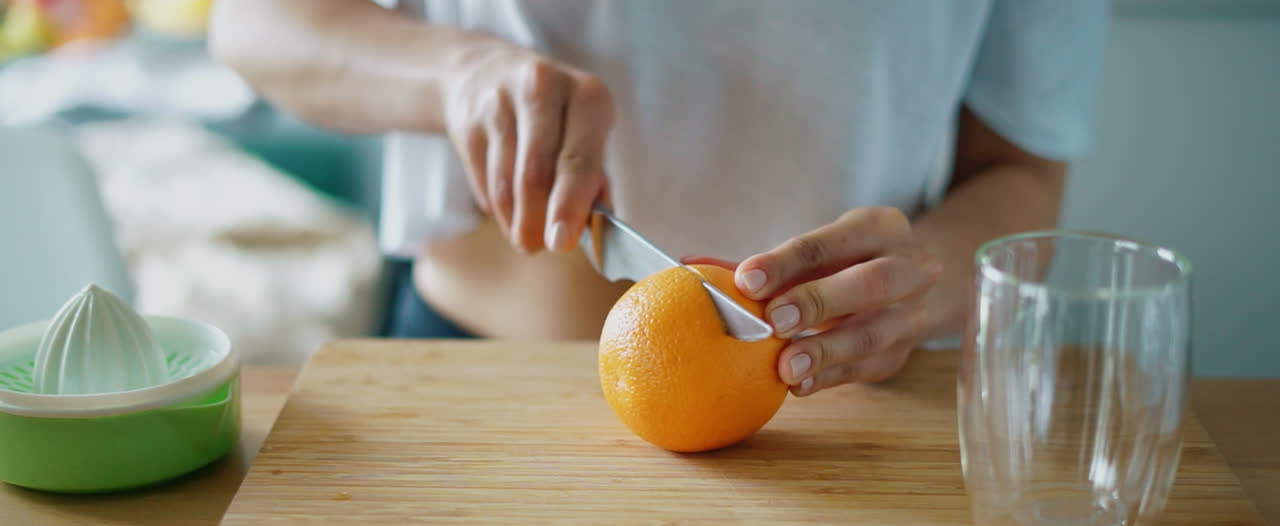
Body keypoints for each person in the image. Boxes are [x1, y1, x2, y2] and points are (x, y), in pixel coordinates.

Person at [209, 0, 1109, 396]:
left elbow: (1021, 175)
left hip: (849, 411)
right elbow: (256, 19)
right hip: (470, 375)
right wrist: (457, 73)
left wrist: (924, 278)